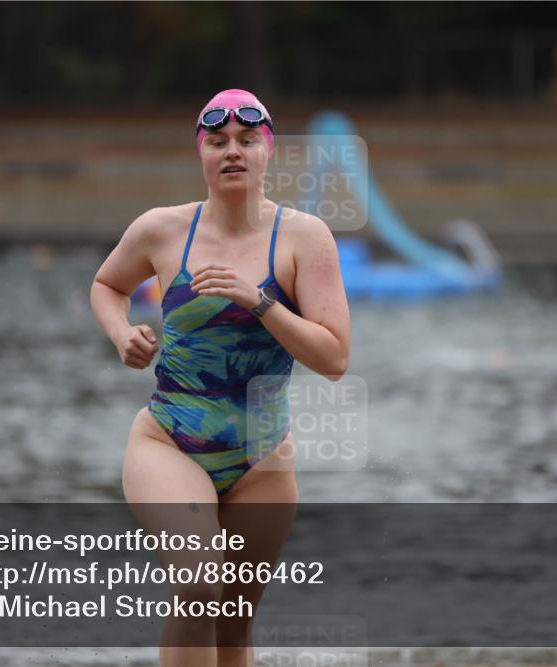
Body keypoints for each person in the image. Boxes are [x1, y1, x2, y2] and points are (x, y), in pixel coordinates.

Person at [90, 89, 350, 666]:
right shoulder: (160, 230)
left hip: (262, 462)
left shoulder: (306, 239)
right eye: (217, 142)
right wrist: (121, 334)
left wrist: (262, 304)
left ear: (267, 153)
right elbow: (107, 286)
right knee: (200, 586)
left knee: (233, 625)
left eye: (246, 140)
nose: (232, 151)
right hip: (168, 442)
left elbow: (334, 358)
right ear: (201, 154)